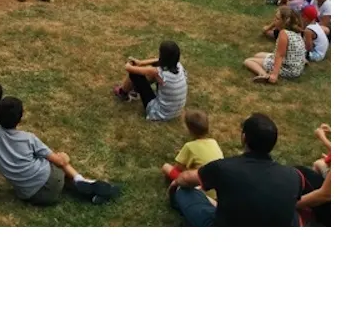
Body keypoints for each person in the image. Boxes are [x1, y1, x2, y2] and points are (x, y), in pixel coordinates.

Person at [168, 113, 301, 227]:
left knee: (184, 192)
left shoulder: (224, 167)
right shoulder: (294, 176)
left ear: (244, 138)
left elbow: (186, 179)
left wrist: (176, 183)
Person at [0, 96, 110, 205]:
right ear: (20, 119)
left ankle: (85, 188)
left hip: (30, 196)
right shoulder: (28, 139)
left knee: (47, 167)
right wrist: (65, 157)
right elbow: (59, 162)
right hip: (51, 181)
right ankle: (80, 180)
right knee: (55, 161)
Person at [112, 39, 188, 121]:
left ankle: (123, 93)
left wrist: (131, 63)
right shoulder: (179, 66)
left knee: (135, 74)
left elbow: (129, 68)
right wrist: (141, 62)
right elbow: (157, 61)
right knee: (151, 71)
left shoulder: (158, 72)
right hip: (176, 112)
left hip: (158, 113)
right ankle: (132, 90)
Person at [162, 109, 224, 196]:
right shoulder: (214, 142)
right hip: (219, 189)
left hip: (201, 189)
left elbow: (179, 167)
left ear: (189, 129)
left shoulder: (189, 146)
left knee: (166, 167)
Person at [244, 8, 307, 83]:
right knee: (258, 55)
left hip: (288, 69)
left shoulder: (284, 34)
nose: (274, 20)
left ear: (284, 22)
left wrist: (274, 74)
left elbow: (280, 55)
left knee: (248, 61)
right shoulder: (296, 31)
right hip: (296, 66)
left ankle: (264, 75)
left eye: (277, 18)